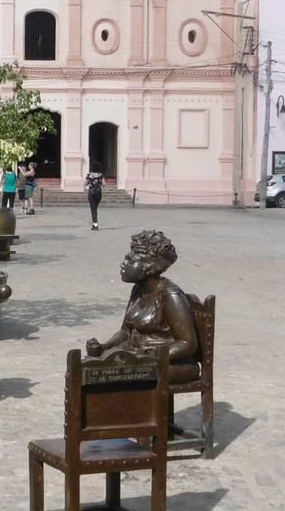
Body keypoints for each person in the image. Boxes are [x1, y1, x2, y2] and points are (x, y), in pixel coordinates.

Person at [85, 230, 200, 386]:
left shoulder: (170, 295)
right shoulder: (137, 290)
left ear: (148, 266)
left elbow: (187, 343)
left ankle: (130, 410)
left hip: (172, 364)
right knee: (88, 369)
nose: (123, 264)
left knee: (110, 374)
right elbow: (125, 332)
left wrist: (148, 355)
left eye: (130, 261)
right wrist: (104, 347)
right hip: (139, 359)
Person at [85, 164, 105, 230]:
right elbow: (104, 184)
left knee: (93, 209)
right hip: (98, 193)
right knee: (95, 209)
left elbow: (85, 184)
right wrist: (99, 182)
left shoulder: (89, 175)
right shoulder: (101, 175)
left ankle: (95, 225)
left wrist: (90, 183)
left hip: (91, 193)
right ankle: (94, 224)